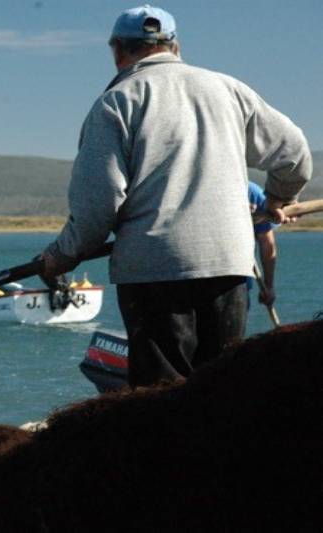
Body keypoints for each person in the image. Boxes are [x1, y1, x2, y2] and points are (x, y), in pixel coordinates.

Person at [40, 5, 312, 387]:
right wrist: (276, 201)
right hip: (228, 266)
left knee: (161, 403)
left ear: (118, 50)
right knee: (222, 394)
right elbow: (295, 156)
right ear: (175, 46)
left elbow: (96, 207)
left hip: (155, 271)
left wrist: (62, 256)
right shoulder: (229, 90)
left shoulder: (118, 102)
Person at [248, 181, 278, 307]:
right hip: (184, 279)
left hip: (235, 281)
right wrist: (269, 286)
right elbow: (266, 241)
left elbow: (266, 242)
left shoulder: (251, 192)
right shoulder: (251, 190)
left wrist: (268, 286)